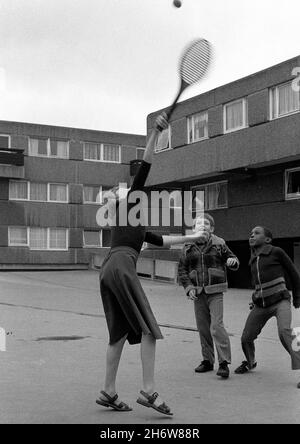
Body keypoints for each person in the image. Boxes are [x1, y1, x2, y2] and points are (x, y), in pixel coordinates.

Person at [96, 113, 208, 416]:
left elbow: (163, 241)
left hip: (108, 270)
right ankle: (148, 389)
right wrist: (154, 135)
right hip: (121, 267)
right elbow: (144, 167)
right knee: (149, 330)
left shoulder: (133, 226)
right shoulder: (128, 204)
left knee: (118, 335)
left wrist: (193, 236)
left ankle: (108, 390)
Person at [235, 226, 300, 388]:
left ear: (267, 240)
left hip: (280, 301)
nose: (252, 235)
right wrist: (255, 298)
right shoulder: (252, 259)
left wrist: (297, 298)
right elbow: (257, 284)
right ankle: (250, 362)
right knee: (246, 338)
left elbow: (294, 273)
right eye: (250, 233)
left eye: (256, 233)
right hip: (261, 305)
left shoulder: (276, 252)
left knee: (285, 332)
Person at [178, 213, 239, 379]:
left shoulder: (219, 244)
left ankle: (224, 362)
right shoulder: (187, 246)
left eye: (206, 224)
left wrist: (232, 262)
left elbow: (231, 257)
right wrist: (189, 287)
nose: (202, 226)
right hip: (198, 292)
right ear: (193, 229)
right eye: (198, 224)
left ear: (211, 229)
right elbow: (182, 270)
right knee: (203, 327)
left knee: (216, 326)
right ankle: (207, 360)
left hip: (215, 290)